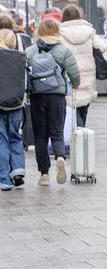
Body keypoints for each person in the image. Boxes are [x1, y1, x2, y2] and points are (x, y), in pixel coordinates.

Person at [25, 17, 79, 186]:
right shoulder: (63, 51)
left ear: (40, 31)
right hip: (57, 96)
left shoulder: (31, 51)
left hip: (37, 96)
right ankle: (61, 157)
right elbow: (74, 75)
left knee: (40, 135)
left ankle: (44, 175)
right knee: (56, 132)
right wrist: (75, 85)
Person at [58, 4, 107, 127]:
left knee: (70, 109)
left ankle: (74, 133)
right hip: (87, 76)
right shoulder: (89, 31)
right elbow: (101, 47)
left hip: (68, 75)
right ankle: (81, 133)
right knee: (83, 107)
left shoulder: (60, 32)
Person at [0, 29, 26, 190]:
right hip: (17, 104)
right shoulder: (21, 57)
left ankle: (4, 179)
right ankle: (17, 171)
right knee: (15, 137)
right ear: (14, 42)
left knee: (2, 140)